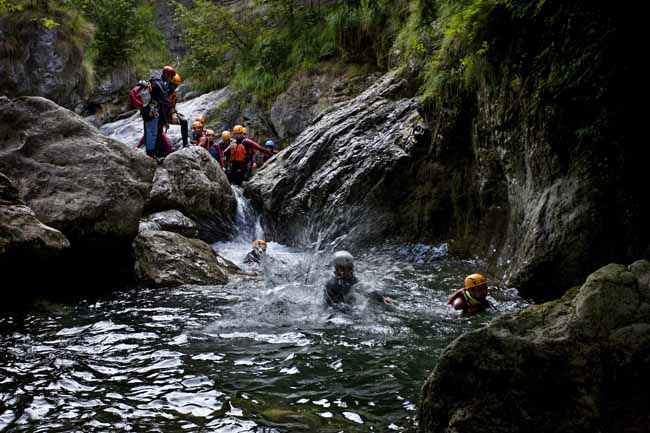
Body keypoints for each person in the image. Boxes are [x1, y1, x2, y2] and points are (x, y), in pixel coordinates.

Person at [324, 251, 394, 308]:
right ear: (337, 269)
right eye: (345, 268)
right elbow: (335, 306)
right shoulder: (332, 285)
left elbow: (365, 288)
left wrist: (382, 298)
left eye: (350, 268)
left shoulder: (351, 279)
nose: (350, 271)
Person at [149, 65, 176, 159]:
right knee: (157, 134)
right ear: (166, 74)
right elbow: (165, 104)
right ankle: (156, 155)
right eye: (171, 76)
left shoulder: (153, 80)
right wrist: (166, 120)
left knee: (153, 133)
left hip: (149, 111)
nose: (171, 79)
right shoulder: (162, 86)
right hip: (156, 113)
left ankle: (153, 154)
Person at [166, 73, 189, 148]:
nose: (175, 87)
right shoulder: (164, 91)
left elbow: (172, 105)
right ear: (170, 83)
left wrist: (175, 113)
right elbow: (165, 104)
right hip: (162, 114)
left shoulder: (173, 94)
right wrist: (172, 113)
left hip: (169, 114)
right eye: (174, 85)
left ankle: (185, 144)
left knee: (184, 121)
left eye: (176, 85)